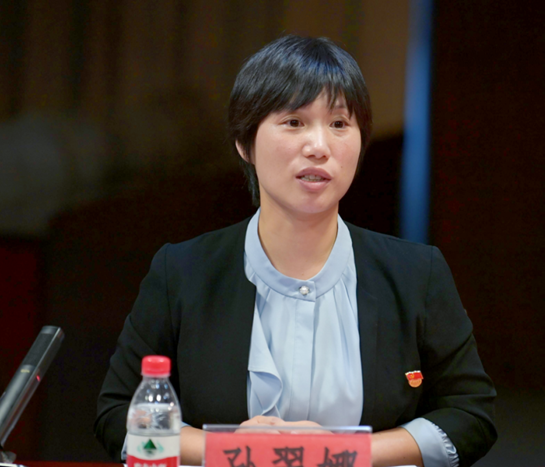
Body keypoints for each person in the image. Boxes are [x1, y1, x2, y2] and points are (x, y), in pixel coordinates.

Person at [95, 35, 497, 467]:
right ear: (245, 143)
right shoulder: (182, 271)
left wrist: (342, 454)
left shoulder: (417, 273)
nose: (319, 147)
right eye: (294, 122)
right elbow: (118, 415)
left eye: (339, 124)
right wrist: (231, 450)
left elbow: (470, 414)